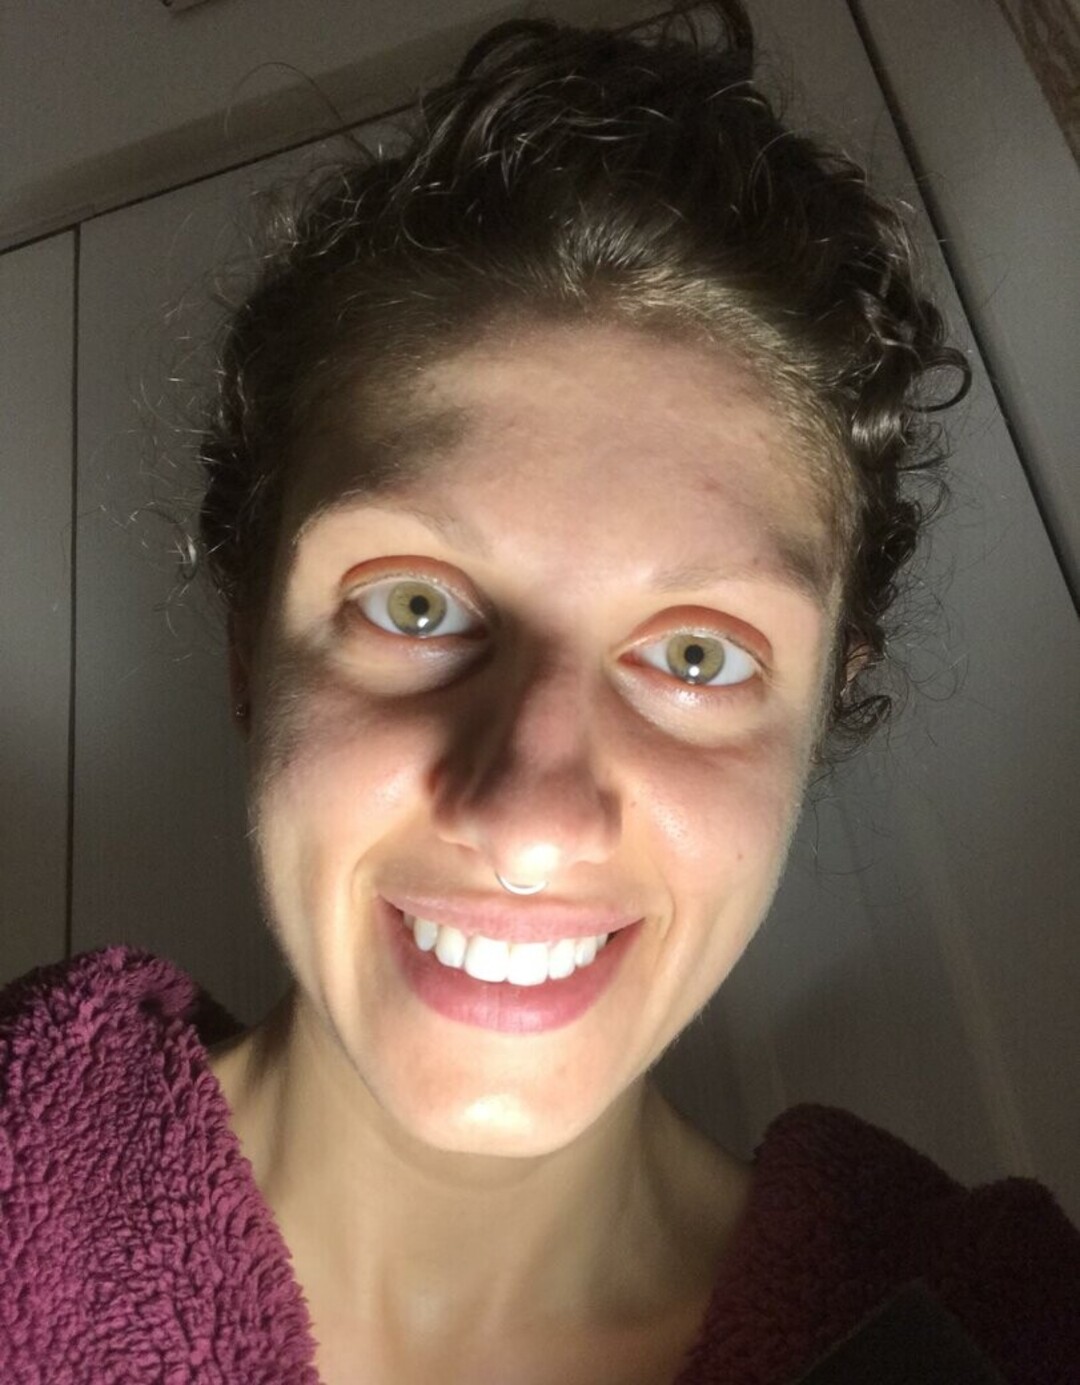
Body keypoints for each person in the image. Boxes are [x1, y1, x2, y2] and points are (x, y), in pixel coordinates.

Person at [1, 3, 1077, 1382]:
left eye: (697, 656)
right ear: (246, 657)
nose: (527, 820)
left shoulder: (1005, 1328)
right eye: (415, 605)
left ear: (815, 723)